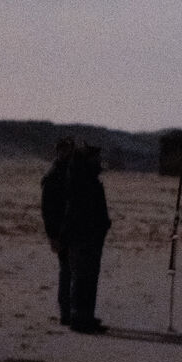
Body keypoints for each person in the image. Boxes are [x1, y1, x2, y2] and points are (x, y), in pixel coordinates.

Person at [61, 142, 111, 334]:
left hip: (91, 236)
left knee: (89, 279)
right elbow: (79, 212)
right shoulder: (81, 181)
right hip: (83, 237)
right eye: (95, 158)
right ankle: (79, 318)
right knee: (82, 279)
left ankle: (87, 316)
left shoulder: (88, 179)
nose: (99, 161)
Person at [40, 137, 75, 325]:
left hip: (73, 230)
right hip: (61, 231)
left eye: (68, 150)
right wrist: (52, 236)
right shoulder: (53, 175)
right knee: (66, 272)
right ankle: (65, 312)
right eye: (63, 150)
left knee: (73, 272)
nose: (66, 153)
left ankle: (71, 311)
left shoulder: (72, 172)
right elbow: (47, 210)